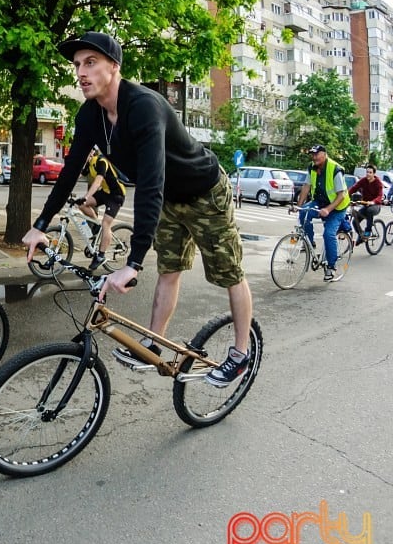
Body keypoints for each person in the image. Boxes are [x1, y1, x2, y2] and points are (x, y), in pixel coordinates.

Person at [22, 31, 253, 388]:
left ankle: (240, 353)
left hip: (204, 191)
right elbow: (69, 173)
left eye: (91, 62)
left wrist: (132, 264)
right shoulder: (90, 116)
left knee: (229, 273)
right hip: (170, 199)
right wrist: (40, 224)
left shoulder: (144, 105)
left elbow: (150, 185)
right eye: (77, 65)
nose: (81, 72)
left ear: (114, 66)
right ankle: (154, 344)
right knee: (169, 269)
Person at [295, 144, 349, 281]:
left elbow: (341, 195)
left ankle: (331, 267)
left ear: (324, 154)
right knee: (303, 213)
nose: (314, 157)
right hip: (320, 202)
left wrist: (328, 209)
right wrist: (298, 205)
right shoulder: (312, 168)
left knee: (328, 233)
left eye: (316, 154)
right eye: (312, 154)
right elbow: (306, 186)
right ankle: (310, 242)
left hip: (337, 207)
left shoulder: (335, 169)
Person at [78, 146, 128, 271]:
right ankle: (97, 226)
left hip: (116, 195)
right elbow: (78, 175)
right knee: (82, 205)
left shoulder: (101, 161)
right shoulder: (89, 164)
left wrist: (86, 196)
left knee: (106, 224)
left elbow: (98, 181)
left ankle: (101, 256)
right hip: (106, 193)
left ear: (92, 152)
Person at [347, 165, 383, 245]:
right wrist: (345, 196)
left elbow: (380, 196)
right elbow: (354, 188)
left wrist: (373, 202)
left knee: (370, 210)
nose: (368, 174)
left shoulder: (378, 183)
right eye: (367, 172)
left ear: (374, 174)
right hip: (365, 204)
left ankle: (368, 231)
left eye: (370, 172)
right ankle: (361, 235)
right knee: (354, 221)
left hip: (375, 205)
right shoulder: (363, 181)